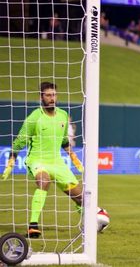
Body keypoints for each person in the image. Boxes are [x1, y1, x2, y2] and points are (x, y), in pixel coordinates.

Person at [2, 82, 85, 238]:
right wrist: (10, 163)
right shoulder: (34, 117)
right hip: (37, 160)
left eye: (54, 94)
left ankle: (90, 222)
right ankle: (33, 226)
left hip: (57, 162)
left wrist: (74, 158)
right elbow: (19, 142)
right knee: (44, 181)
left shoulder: (63, 115)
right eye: (48, 95)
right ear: (41, 97)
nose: (52, 98)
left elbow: (63, 141)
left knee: (81, 198)